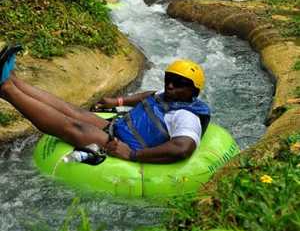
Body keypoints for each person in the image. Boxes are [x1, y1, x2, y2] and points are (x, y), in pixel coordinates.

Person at [0, 44, 211, 163]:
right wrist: (118, 101)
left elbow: (182, 148)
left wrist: (132, 153)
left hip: (125, 145)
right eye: (169, 80)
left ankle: (5, 89)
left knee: (74, 126)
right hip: (118, 127)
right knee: (70, 109)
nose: (171, 86)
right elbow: (149, 95)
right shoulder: (169, 94)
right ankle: (12, 80)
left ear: (194, 90)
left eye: (180, 84)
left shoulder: (187, 116)